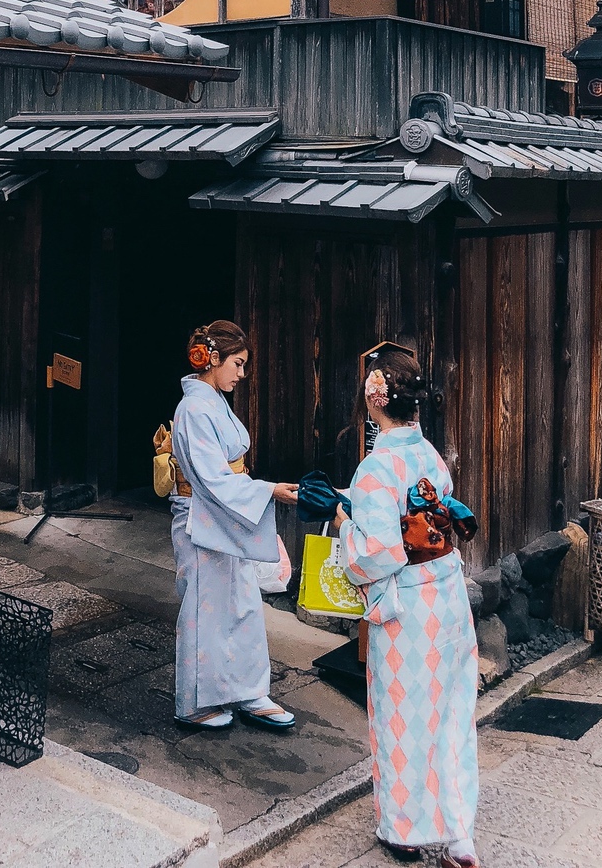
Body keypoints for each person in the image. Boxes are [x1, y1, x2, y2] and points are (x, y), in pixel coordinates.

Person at [334, 343, 479, 868]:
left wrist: (343, 528)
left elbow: (376, 554)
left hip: (409, 607)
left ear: (375, 402)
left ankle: (405, 829)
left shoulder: (376, 468)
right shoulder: (430, 455)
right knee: (452, 713)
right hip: (449, 593)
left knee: (404, 715)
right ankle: (460, 833)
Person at [170, 320, 299, 730]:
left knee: (242, 604)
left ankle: (248, 691)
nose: (242, 375)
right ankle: (193, 703)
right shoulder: (193, 407)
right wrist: (267, 491)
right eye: (238, 365)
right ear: (213, 361)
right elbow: (211, 476)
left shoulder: (211, 399)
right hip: (201, 512)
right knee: (203, 610)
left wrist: (260, 491)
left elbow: (224, 475)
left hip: (224, 509)